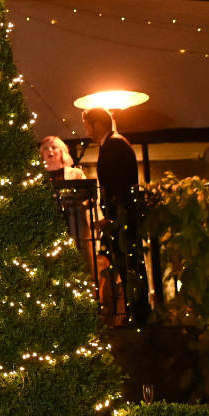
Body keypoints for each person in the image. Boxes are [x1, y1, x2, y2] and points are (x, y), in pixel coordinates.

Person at [82, 107, 149, 325]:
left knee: (129, 265)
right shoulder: (114, 144)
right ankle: (136, 312)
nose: (85, 131)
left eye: (87, 125)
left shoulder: (114, 146)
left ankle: (138, 315)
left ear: (96, 124)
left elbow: (118, 186)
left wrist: (113, 217)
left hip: (123, 219)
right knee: (127, 265)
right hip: (122, 218)